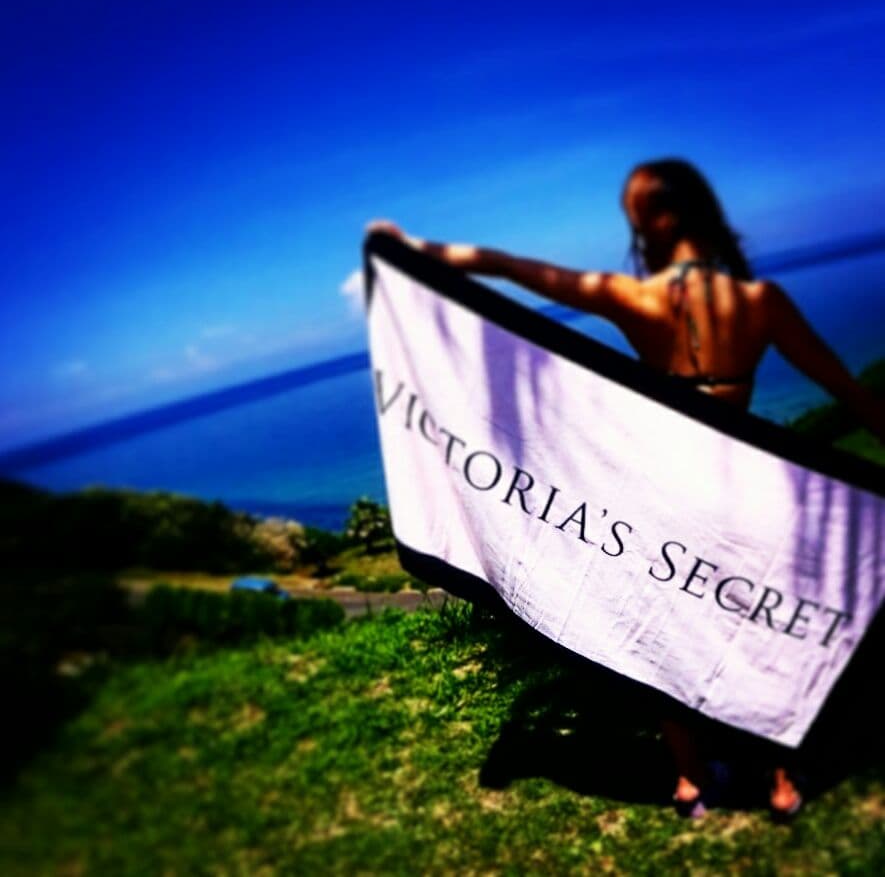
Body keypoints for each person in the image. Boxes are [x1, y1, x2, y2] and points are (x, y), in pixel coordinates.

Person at [366, 157, 885, 819]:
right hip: (747, 496)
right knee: (766, 636)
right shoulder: (760, 304)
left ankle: (689, 779)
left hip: (666, 498)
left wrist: (412, 250)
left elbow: (511, 267)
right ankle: (781, 781)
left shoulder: (636, 299)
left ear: (660, 221)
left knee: (666, 634)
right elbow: (847, 391)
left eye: (634, 217)